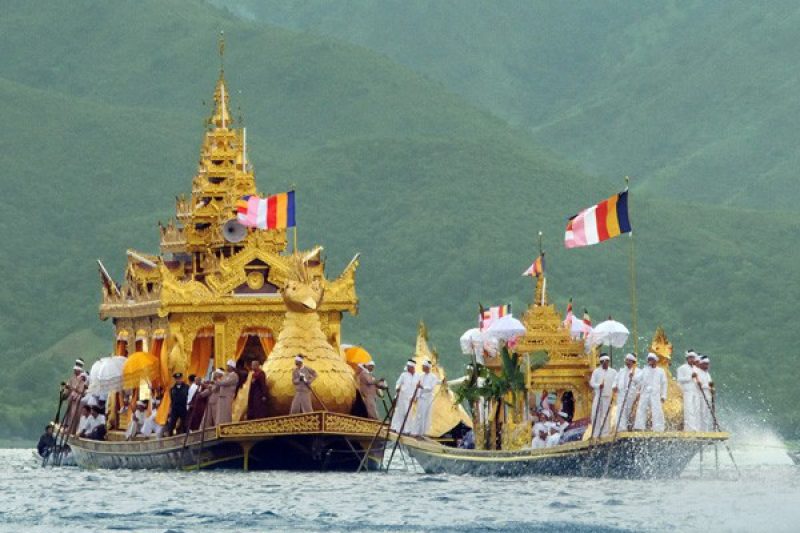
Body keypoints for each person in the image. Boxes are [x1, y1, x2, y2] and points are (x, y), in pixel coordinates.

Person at [633, 353, 668, 432]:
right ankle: (639, 427)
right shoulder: (644, 370)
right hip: (645, 393)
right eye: (648, 359)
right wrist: (632, 376)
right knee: (641, 409)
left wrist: (663, 396)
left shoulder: (661, 371)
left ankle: (658, 428)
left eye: (651, 359)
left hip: (655, 395)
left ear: (655, 360)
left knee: (657, 410)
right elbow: (636, 379)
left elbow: (664, 384)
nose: (649, 361)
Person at [410, 360, 441, 437]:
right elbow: (417, 388)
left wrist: (422, 387)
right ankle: (415, 431)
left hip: (427, 399)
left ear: (427, 367)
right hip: (421, 398)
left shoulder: (433, 377)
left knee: (424, 416)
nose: (422, 368)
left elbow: (430, 388)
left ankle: (421, 433)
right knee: (418, 415)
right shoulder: (421, 376)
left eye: (423, 366)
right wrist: (416, 397)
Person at [589, 354, 617, 437]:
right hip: (598, 395)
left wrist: (615, 387)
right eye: (603, 362)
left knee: (606, 415)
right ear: (601, 362)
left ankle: (605, 433)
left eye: (607, 361)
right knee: (595, 414)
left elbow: (616, 382)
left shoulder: (613, 372)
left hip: (608, 396)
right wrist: (598, 386)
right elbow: (592, 383)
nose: (605, 363)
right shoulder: (596, 371)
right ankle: (595, 433)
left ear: (608, 362)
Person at [612, 353, 640, 432]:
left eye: (629, 360)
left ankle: (629, 427)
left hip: (631, 395)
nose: (627, 362)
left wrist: (633, 377)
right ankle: (621, 429)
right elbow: (616, 380)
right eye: (626, 360)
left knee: (629, 412)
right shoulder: (621, 371)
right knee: (620, 411)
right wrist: (614, 386)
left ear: (632, 361)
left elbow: (640, 382)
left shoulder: (637, 371)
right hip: (621, 394)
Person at [391, 360, 419, 432]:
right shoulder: (404, 375)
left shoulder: (417, 376)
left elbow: (418, 388)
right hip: (402, 396)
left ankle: (406, 429)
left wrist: (416, 397)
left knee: (408, 413)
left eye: (409, 367)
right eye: (408, 367)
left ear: (413, 367)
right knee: (401, 412)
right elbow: (398, 383)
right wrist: (397, 388)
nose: (408, 368)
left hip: (411, 397)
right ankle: (396, 427)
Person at [676, 350, 700, 431]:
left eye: (693, 358)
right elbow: (679, 379)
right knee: (689, 409)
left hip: (695, 392)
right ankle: (689, 428)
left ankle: (696, 427)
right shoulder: (681, 368)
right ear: (687, 358)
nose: (692, 359)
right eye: (690, 358)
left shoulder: (696, 369)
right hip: (687, 392)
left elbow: (697, 380)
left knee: (696, 409)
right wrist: (690, 377)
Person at [216, 360, 239, 424]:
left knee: (226, 413)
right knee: (221, 414)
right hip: (222, 396)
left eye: (228, 366)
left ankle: (226, 427)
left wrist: (216, 379)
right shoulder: (226, 375)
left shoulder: (234, 376)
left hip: (227, 397)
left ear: (232, 367)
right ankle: (219, 427)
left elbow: (223, 383)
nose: (227, 367)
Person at [696, 355, 715, 431]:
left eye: (708, 364)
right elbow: (698, 384)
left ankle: (705, 430)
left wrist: (712, 389)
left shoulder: (707, 374)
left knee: (707, 414)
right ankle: (700, 430)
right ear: (701, 364)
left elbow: (710, 384)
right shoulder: (697, 372)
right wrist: (708, 387)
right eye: (705, 364)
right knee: (702, 413)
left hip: (708, 395)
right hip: (701, 395)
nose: (707, 366)